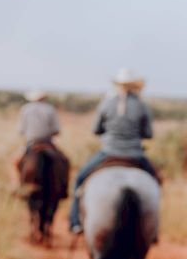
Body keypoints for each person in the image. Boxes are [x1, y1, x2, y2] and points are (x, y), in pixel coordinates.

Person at [69, 68, 161, 234]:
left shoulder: (106, 103)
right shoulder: (141, 105)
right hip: (135, 155)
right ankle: (154, 229)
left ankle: (75, 221)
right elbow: (148, 133)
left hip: (108, 152)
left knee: (79, 179)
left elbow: (96, 129)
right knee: (156, 183)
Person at [14, 90, 70, 244]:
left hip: (31, 145)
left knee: (17, 162)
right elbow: (56, 130)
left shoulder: (25, 109)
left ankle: (21, 185)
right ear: (44, 98)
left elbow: (21, 130)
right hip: (48, 144)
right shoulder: (50, 109)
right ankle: (63, 187)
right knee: (65, 161)